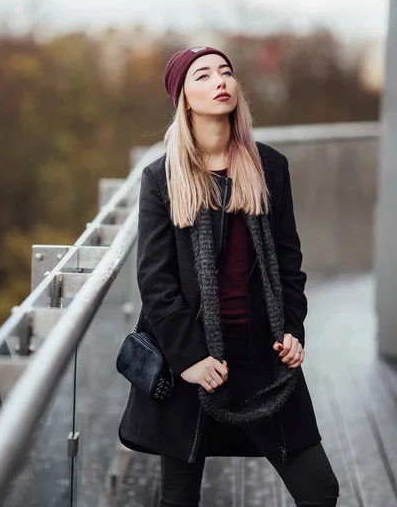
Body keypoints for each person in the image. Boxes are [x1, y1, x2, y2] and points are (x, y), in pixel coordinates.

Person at [118, 46, 340, 506]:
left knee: (319, 490)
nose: (220, 80)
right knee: (179, 498)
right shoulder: (161, 179)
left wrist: (292, 330)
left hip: (263, 358)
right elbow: (156, 283)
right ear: (184, 98)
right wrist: (189, 360)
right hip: (195, 366)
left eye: (226, 72)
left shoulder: (269, 167)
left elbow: (288, 263)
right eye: (203, 75)